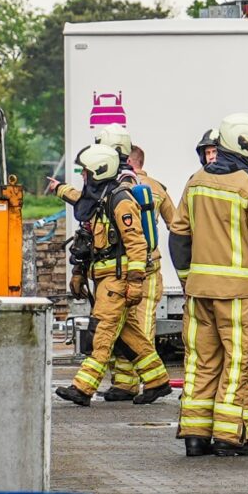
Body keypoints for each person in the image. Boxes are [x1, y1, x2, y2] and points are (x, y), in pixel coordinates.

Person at [166, 113, 248, 457]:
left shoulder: (196, 179)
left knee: (201, 361)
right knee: (238, 362)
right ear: (246, 148)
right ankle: (229, 437)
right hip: (239, 294)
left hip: (199, 291)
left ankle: (194, 434)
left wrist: (189, 280)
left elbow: (178, 235)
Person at [52, 144, 167, 407]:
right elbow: (88, 241)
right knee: (128, 333)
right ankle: (157, 380)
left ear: (99, 172)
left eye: (86, 172)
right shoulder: (99, 200)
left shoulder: (120, 200)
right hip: (104, 279)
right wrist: (79, 272)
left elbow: (137, 244)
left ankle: (83, 388)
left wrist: (136, 282)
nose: (83, 177)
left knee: (101, 332)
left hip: (118, 280)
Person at [122, 139, 177, 394]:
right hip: (150, 265)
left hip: (123, 267)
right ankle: (136, 381)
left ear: (131, 161)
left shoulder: (119, 187)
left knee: (122, 324)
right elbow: (177, 225)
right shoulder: (158, 188)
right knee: (143, 324)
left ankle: (126, 383)